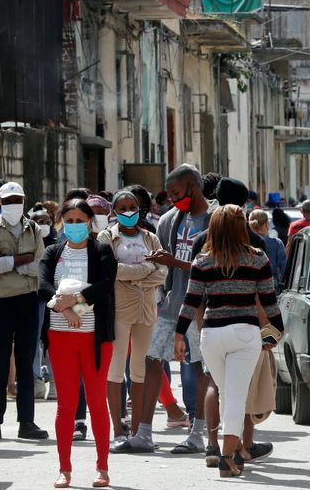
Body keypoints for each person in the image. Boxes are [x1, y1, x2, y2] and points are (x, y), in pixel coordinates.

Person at [175, 204, 283, 478]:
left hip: (211, 335)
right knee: (236, 397)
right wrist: (275, 335)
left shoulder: (202, 261)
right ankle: (227, 458)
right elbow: (269, 304)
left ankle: (232, 453)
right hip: (244, 334)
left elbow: (191, 301)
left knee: (226, 394)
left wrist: (178, 335)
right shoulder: (257, 259)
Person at [113, 164, 212, 454]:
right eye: (169, 194)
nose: (171, 198)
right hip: (170, 305)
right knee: (151, 359)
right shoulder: (170, 220)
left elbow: (214, 266)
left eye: (176, 193)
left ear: (193, 188)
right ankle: (144, 433)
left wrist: (174, 262)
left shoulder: (214, 219)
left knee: (199, 364)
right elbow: (163, 266)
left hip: (200, 307)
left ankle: (197, 434)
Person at [39, 198, 117, 489]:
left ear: (90, 222)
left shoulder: (102, 251)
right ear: (61, 222)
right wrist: (67, 310)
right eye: (68, 221)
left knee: (97, 403)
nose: (74, 226)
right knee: (66, 405)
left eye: (79, 220)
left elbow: (105, 286)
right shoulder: (52, 251)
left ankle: (102, 467)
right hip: (60, 338)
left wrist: (78, 303)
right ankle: (65, 469)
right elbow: (44, 287)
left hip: (95, 339)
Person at [0, 182, 48, 441]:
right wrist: (21, 260)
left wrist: (6, 262)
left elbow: (39, 266)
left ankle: (26, 422)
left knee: (26, 363)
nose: (12, 205)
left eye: (17, 200)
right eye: (7, 201)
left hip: (28, 300)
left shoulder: (34, 228)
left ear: (24, 200)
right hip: (0, 302)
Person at [97, 190, 167, 447]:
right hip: (119, 309)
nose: (128, 211)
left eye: (132, 206)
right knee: (116, 369)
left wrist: (139, 272)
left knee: (140, 369)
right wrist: (146, 268)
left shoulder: (151, 237)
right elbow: (110, 269)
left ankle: (138, 430)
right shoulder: (107, 236)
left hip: (147, 308)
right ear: (114, 212)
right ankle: (118, 431)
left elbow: (163, 272)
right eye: (122, 207)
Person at [248, 210, 287, 288]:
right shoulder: (277, 243)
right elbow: (284, 270)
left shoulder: (244, 245)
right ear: (266, 224)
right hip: (272, 286)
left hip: (249, 286)